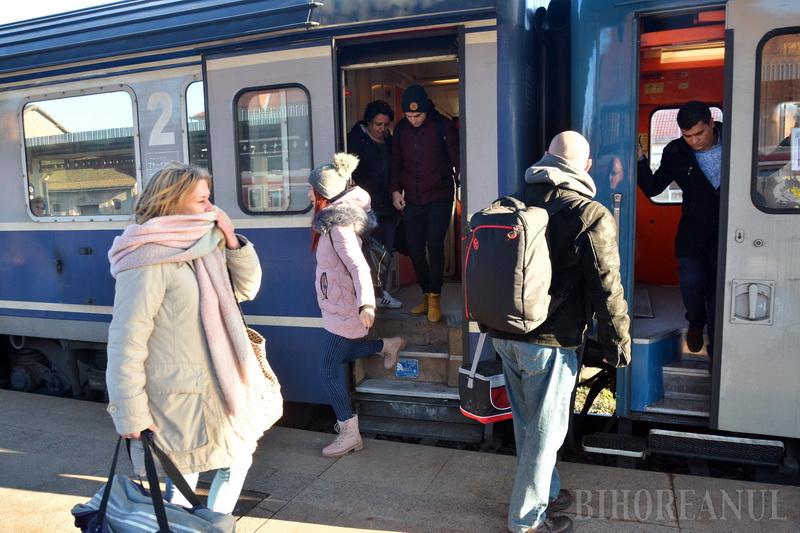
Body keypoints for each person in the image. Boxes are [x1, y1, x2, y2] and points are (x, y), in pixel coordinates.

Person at [106, 163, 278, 514]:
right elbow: (126, 341)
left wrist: (231, 239)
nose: (210, 207)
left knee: (236, 459)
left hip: (219, 381)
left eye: (209, 199)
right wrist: (131, 414)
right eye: (202, 200)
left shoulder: (205, 243)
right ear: (173, 201)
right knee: (184, 475)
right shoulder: (146, 257)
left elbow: (246, 289)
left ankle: (212, 524)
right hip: (179, 392)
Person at [486, 131, 631, 533]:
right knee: (546, 433)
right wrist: (619, 339)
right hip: (549, 342)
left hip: (505, 333)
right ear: (585, 167)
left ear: (545, 159)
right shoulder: (590, 212)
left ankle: (546, 490)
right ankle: (526, 521)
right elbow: (607, 284)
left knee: (527, 424)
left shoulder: (515, 200)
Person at [309, 153, 405, 457]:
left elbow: (358, 266)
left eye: (312, 189)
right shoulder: (337, 218)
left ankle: (349, 432)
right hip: (338, 302)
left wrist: (366, 305)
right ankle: (388, 344)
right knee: (344, 353)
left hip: (346, 305)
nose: (308, 194)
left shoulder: (338, 226)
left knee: (326, 369)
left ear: (322, 193)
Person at [638, 101, 722, 353]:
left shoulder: (737, 139)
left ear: (711, 123)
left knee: (719, 288)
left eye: (699, 133)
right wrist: (639, 159)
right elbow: (654, 187)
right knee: (691, 282)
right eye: (688, 136)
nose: (694, 141)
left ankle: (717, 345)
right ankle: (696, 323)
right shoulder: (675, 151)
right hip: (693, 230)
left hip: (729, 230)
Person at [391, 84, 459, 323]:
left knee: (435, 245)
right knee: (415, 250)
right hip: (412, 198)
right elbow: (396, 164)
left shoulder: (443, 126)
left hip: (440, 196)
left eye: (417, 115)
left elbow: (458, 159)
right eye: (408, 116)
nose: (413, 120)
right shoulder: (401, 130)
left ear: (426, 110)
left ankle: (436, 298)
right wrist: (394, 191)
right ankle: (425, 294)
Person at [347, 99, 402, 309]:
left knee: (386, 250)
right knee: (366, 253)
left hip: (387, 203)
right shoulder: (355, 141)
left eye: (385, 125)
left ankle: (380, 292)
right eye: (378, 124)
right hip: (363, 205)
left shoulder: (388, 141)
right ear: (368, 122)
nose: (382, 129)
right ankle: (371, 295)